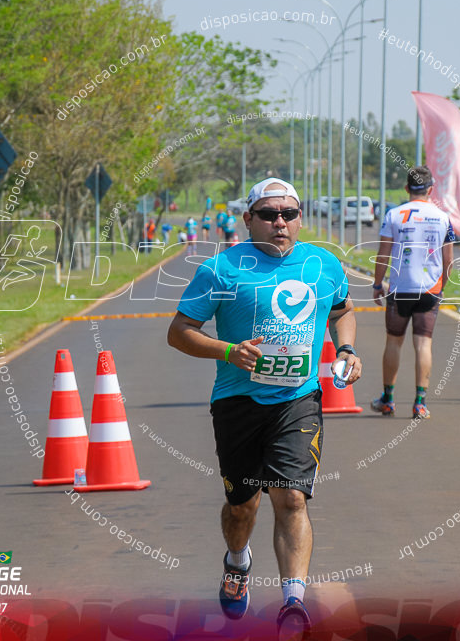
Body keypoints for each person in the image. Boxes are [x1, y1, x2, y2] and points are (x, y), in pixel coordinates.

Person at [167, 178, 360, 636]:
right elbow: (179, 332)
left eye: (289, 214)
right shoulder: (221, 269)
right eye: (269, 214)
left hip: (298, 400)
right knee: (242, 505)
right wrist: (229, 351)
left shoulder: (323, 264)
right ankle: (237, 562)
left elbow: (342, 310)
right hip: (237, 402)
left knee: (291, 497)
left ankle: (293, 600)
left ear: (299, 219)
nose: (280, 223)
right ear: (248, 219)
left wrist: (347, 350)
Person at [371, 165, 455, 419]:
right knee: (423, 343)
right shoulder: (443, 218)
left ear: (407, 188)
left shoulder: (394, 215)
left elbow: (383, 253)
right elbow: (449, 259)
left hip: (400, 288)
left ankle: (388, 399)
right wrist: (443, 285)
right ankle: (420, 403)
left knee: (394, 341)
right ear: (430, 189)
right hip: (430, 289)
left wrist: (377, 284)